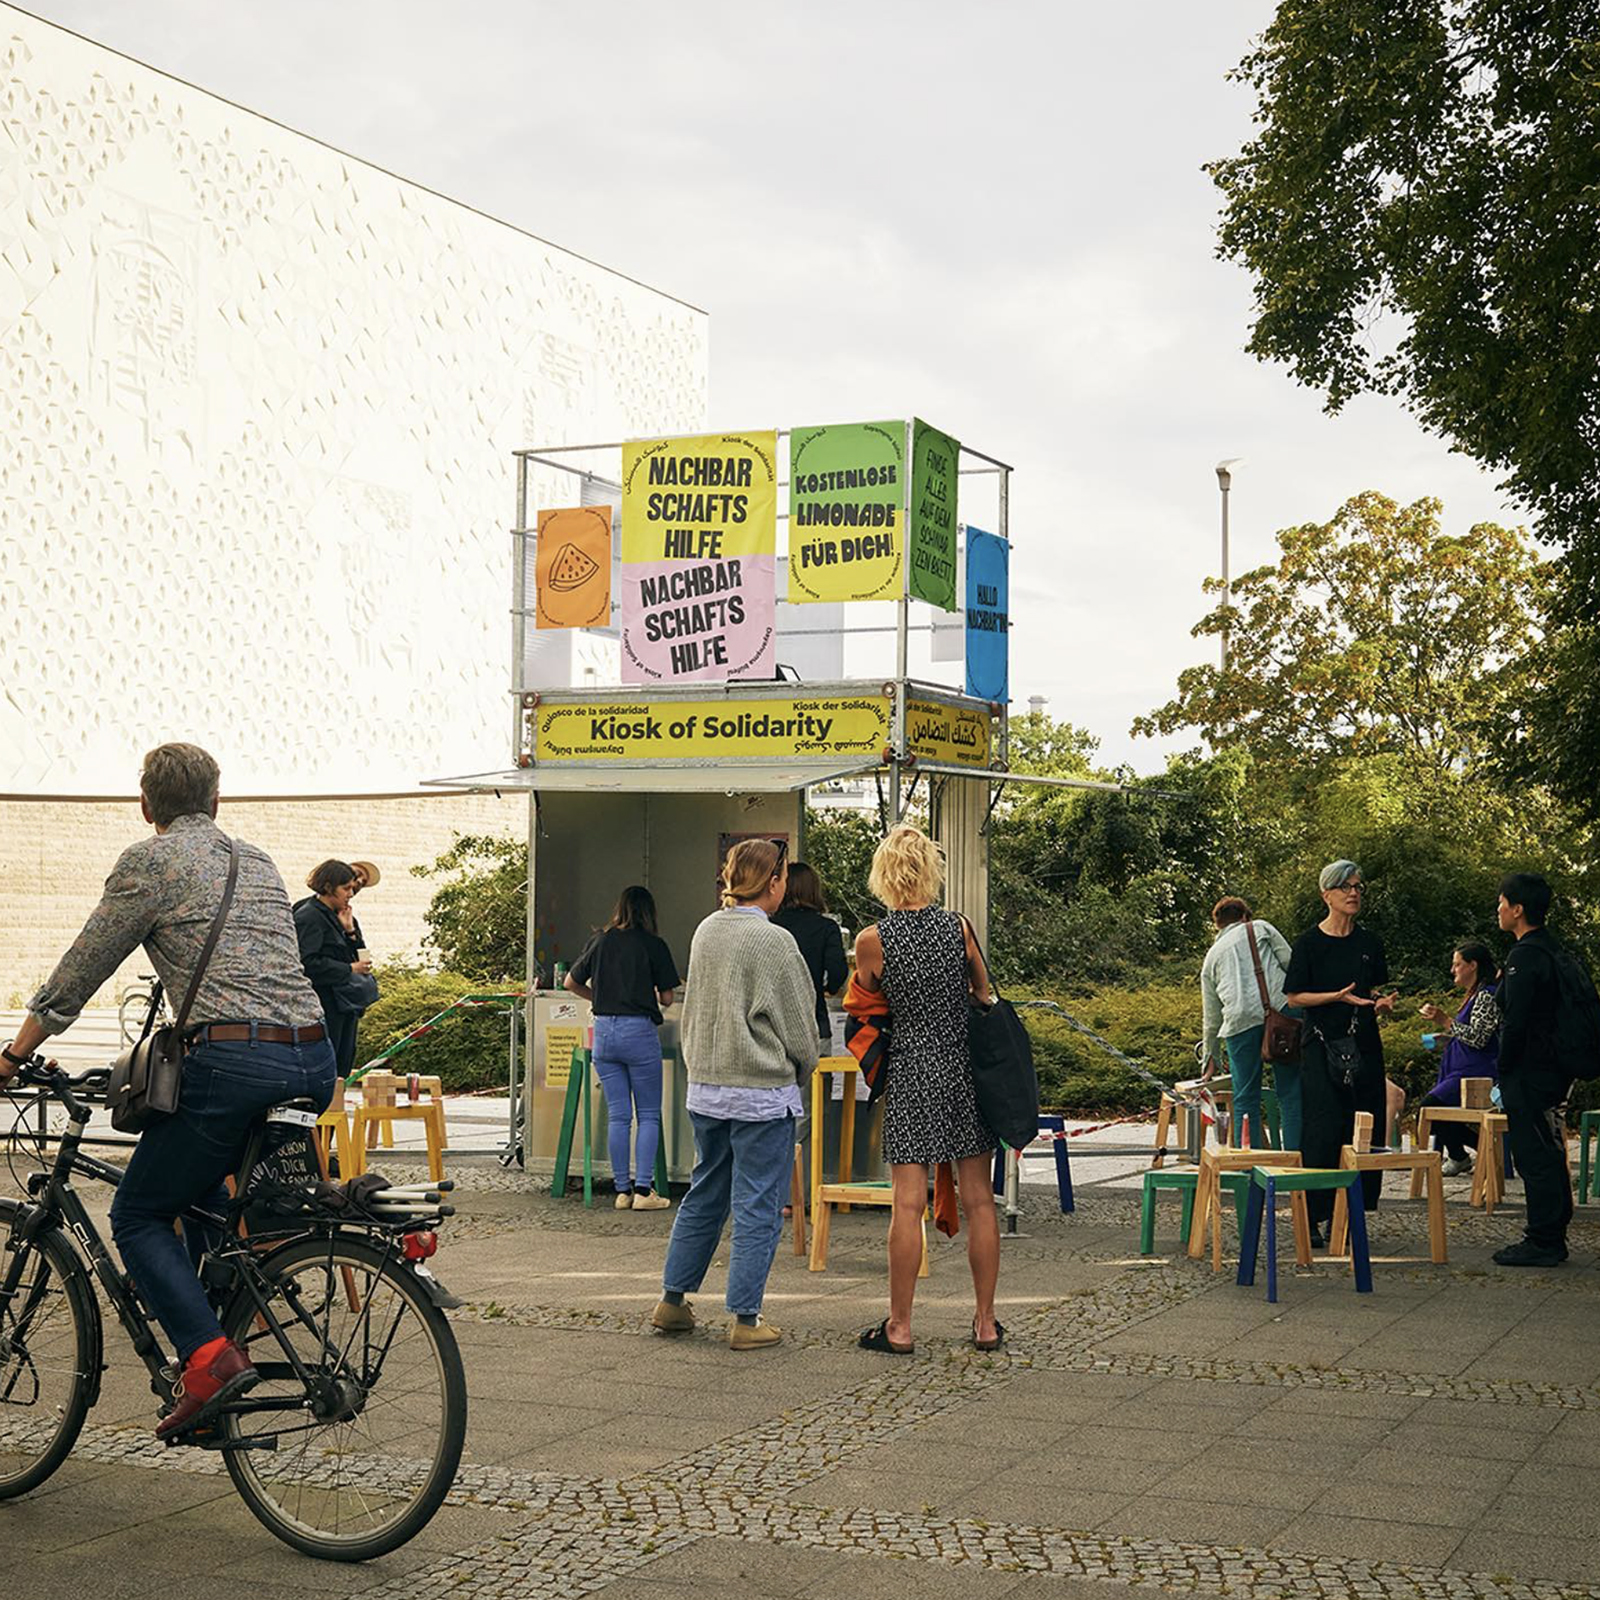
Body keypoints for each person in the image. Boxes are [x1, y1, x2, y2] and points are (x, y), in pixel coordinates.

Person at [0, 743, 335, 1441]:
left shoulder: (149, 861)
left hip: (237, 1066)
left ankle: (209, 1361)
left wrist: (17, 1052)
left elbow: (85, 964)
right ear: (217, 801)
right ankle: (217, 1358)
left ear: (145, 805)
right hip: (313, 1058)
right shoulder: (259, 860)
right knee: (203, 1196)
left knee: (138, 1214)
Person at [651, 839, 819, 1349]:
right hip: (761, 1091)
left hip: (707, 1086)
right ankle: (746, 1318)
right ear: (773, 883)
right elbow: (798, 1023)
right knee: (757, 1204)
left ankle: (672, 1300)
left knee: (705, 1193)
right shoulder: (775, 942)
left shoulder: (706, 930)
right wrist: (805, 1068)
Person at [851, 823, 1000, 1355]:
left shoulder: (873, 941)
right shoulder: (957, 929)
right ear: (931, 873)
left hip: (912, 1071)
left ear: (884, 876)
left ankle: (901, 1327)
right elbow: (984, 993)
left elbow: (865, 1005)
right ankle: (984, 1323)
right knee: (980, 1200)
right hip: (965, 1070)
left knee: (906, 1204)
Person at [1283, 859, 1395, 1245]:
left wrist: (1378, 1002)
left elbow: (1372, 989)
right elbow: (1294, 996)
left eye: (1358, 887)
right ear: (1326, 894)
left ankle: (1350, 1214)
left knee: (1363, 1125)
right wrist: (1336, 997)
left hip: (1363, 1044)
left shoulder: (1370, 943)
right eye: (1345, 886)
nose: (1354, 893)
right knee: (1323, 1129)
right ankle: (1314, 1214)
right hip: (1320, 1045)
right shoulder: (1308, 943)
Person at [566, 885, 681, 1211]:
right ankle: (644, 1192)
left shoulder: (600, 940)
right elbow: (668, 997)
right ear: (649, 912)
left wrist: (600, 999)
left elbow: (570, 983)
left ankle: (621, 1191)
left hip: (603, 1031)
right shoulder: (654, 944)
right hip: (638, 1032)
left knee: (619, 1116)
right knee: (647, 1115)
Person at [1491, 872, 1574, 1266]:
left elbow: (1516, 1020)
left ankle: (1543, 1239)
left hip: (1531, 1069)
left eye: (1503, 903)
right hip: (1556, 1065)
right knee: (1551, 1146)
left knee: (1534, 1152)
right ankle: (1553, 1229)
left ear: (1518, 909)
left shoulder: (1524, 956)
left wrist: (1504, 1068)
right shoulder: (1554, 949)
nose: (1499, 909)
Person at [1199, 896, 1294, 1148]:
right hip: (1282, 1013)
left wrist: (1211, 1058)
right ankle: (1297, 1169)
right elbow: (1292, 965)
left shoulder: (1211, 957)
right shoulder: (1261, 927)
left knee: (1244, 1099)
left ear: (1218, 925)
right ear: (1244, 917)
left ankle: (1251, 1173)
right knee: (1291, 1093)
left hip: (1238, 1024)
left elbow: (1211, 1017)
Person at [1418, 940, 1501, 1175]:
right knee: (1436, 1111)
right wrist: (1444, 1038)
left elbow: (1479, 1038)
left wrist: (1445, 1020)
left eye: (1457, 964)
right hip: (1460, 1071)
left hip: (1476, 1074)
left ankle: (1473, 1151)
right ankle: (1464, 1155)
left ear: (1472, 965)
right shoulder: (1473, 994)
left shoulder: (1486, 995)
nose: (1453, 970)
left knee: (1430, 1107)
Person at [293, 860, 374, 1078]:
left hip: (347, 1003)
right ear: (329, 887)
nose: (351, 893)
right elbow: (306, 962)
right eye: (346, 888)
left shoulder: (345, 915)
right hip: (325, 1004)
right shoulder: (309, 916)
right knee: (326, 1066)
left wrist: (350, 933)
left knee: (343, 1065)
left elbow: (360, 954)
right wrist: (349, 969)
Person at [771, 861, 848, 1047]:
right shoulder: (827, 928)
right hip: (814, 1020)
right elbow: (838, 972)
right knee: (820, 1074)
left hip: (775, 1027)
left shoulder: (769, 925)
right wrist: (829, 988)